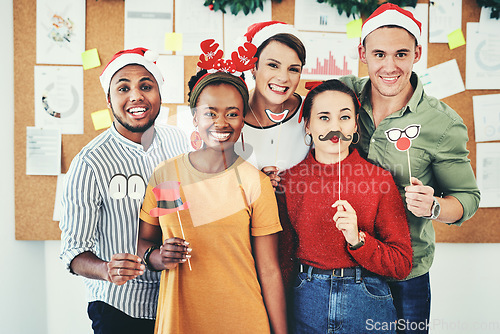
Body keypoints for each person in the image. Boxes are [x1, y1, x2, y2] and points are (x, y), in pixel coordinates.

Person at [340, 3, 481, 333]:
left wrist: (433, 206)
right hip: (343, 267)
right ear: (362, 53)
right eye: (379, 54)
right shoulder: (341, 98)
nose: (390, 66)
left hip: (404, 274)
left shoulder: (442, 123)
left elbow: (467, 199)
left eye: (401, 54)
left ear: (417, 53)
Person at [137, 45, 287, 334]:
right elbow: (144, 243)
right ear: (195, 118)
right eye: (210, 113)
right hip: (181, 321)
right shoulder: (167, 176)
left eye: (233, 113)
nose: (221, 122)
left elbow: (269, 270)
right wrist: (158, 257)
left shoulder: (255, 182)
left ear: (243, 121)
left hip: (244, 320)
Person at [59, 48, 189, 334]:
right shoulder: (90, 162)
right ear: (109, 99)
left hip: (174, 298)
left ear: (159, 94)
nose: (136, 96)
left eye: (146, 85)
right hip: (118, 307)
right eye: (123, 88)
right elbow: (73, 252)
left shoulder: (179, 142)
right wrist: (106, 268)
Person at [276, 79, 413, 334]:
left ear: (355, 124)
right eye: (324, 118)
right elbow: (283, 259)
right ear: (307, 124)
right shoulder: (288, 182)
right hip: (305, 301)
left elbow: (401, 264)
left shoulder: (379, 181)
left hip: (367, 300)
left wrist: (359, 241)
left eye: (345, 117)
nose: (335, 127)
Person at [234, 21, 308, 184]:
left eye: (293, 69)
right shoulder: (229, 114)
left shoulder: (312, 112)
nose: (283, 77)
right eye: (273, 65)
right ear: (253, 66)